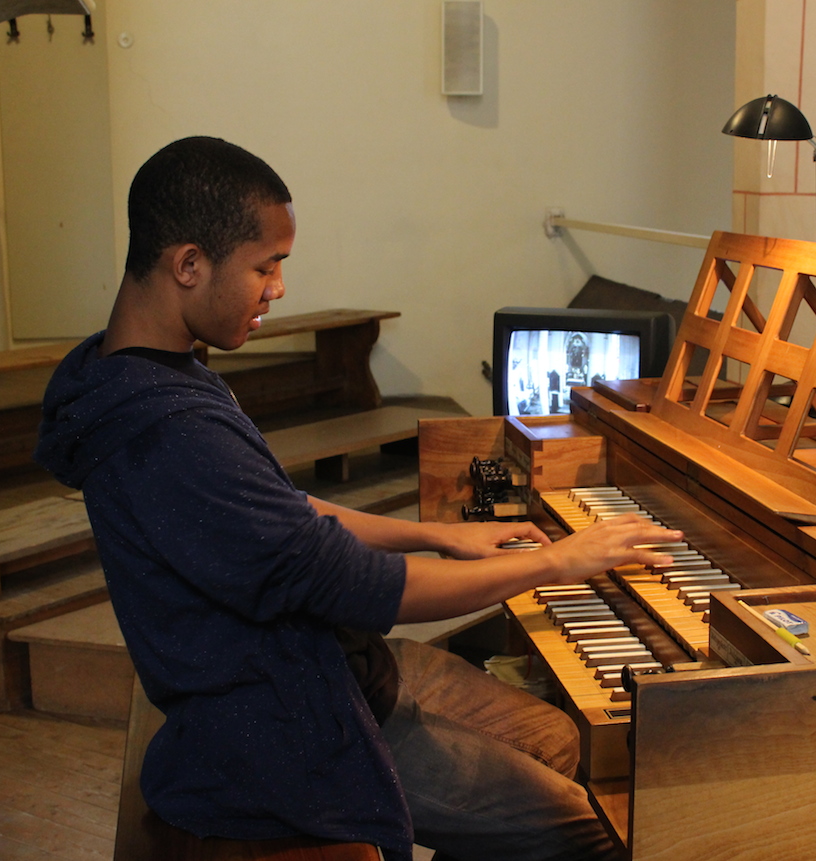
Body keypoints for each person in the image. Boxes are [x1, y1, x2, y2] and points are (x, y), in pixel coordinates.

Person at [34, 136, 680, 861]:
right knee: (599, 835)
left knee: (558, 737)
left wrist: (437, 534)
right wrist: (558, 562)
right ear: (188, 265)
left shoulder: (152, 373)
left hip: (326, 670)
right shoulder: (168, 431)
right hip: (286, 728)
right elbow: (359, 587)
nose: (278, 287)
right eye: (265, 266)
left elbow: (284, 514)